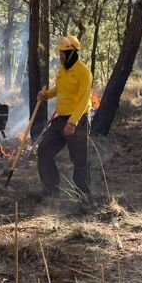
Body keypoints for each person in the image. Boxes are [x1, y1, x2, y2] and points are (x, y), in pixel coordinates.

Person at [36, 35, 93, 200]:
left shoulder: (84, 73)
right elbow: (58, 89)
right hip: (60, 120)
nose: (60, 55)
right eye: (60, 52)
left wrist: (72, 122)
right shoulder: (61, 70)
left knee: (79, 160)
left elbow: (83, 101)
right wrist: (46, 95)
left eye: (64, 52)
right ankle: (51, 191)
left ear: (73, 53)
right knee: (44, 150)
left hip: (78, 121)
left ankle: (83, 195)